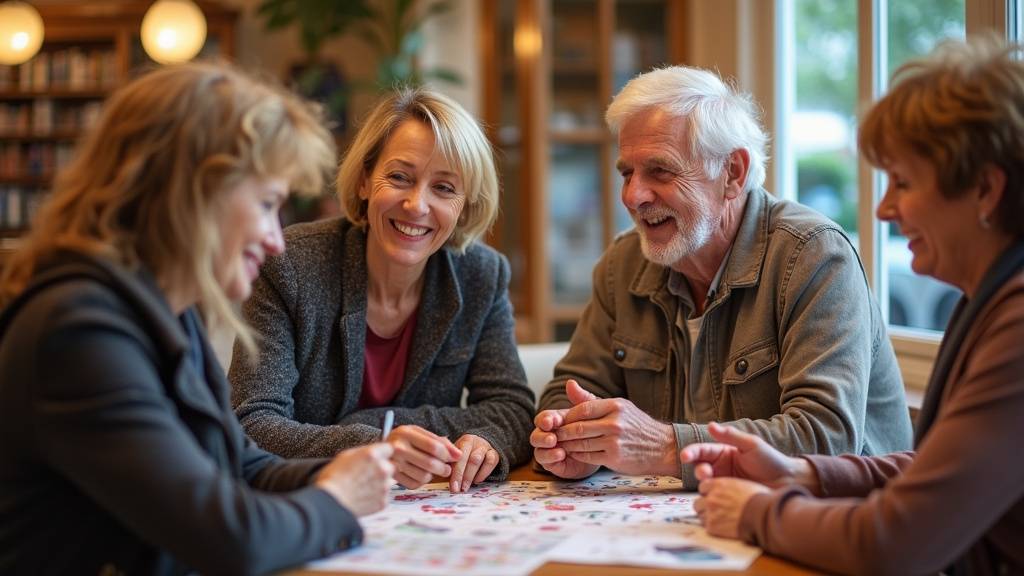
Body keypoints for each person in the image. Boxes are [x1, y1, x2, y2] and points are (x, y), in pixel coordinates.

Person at [0, 62, 395, 575]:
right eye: (266, 204)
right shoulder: (78, 332)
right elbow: (231, 541)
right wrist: (338, 500)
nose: (277, 240)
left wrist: (338, 473)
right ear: (193, 195)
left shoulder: (160, 308)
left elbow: (240, 466)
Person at [686, 38, 1024, 575]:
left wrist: (759, 511)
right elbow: (938, 473)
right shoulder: (989, 300)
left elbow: (895, 543)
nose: (885, 208)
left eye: (904, 182)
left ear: (985, 190)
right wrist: (806, 476)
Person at [532, 65, 913, 487]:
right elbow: (570, 390)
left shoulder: (813, 256)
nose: (632, 196)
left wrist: (663, 446)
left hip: (839, 520)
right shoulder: (623, 263)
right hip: (688, 518)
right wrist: (569, 439)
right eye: (626, 172)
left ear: (732, 173)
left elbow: (826, 437)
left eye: (660, 170)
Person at [229, 87, 535, 494]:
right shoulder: (290, 266)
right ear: (363, 181)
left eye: (444, 188)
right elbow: (251, 424)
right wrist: (374, 442)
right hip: (309, 500)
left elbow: (511, 410)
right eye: (399, 177)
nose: (416, 205)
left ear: (465, 204)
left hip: (430, 512)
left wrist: (486, 442)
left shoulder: (482, 275)